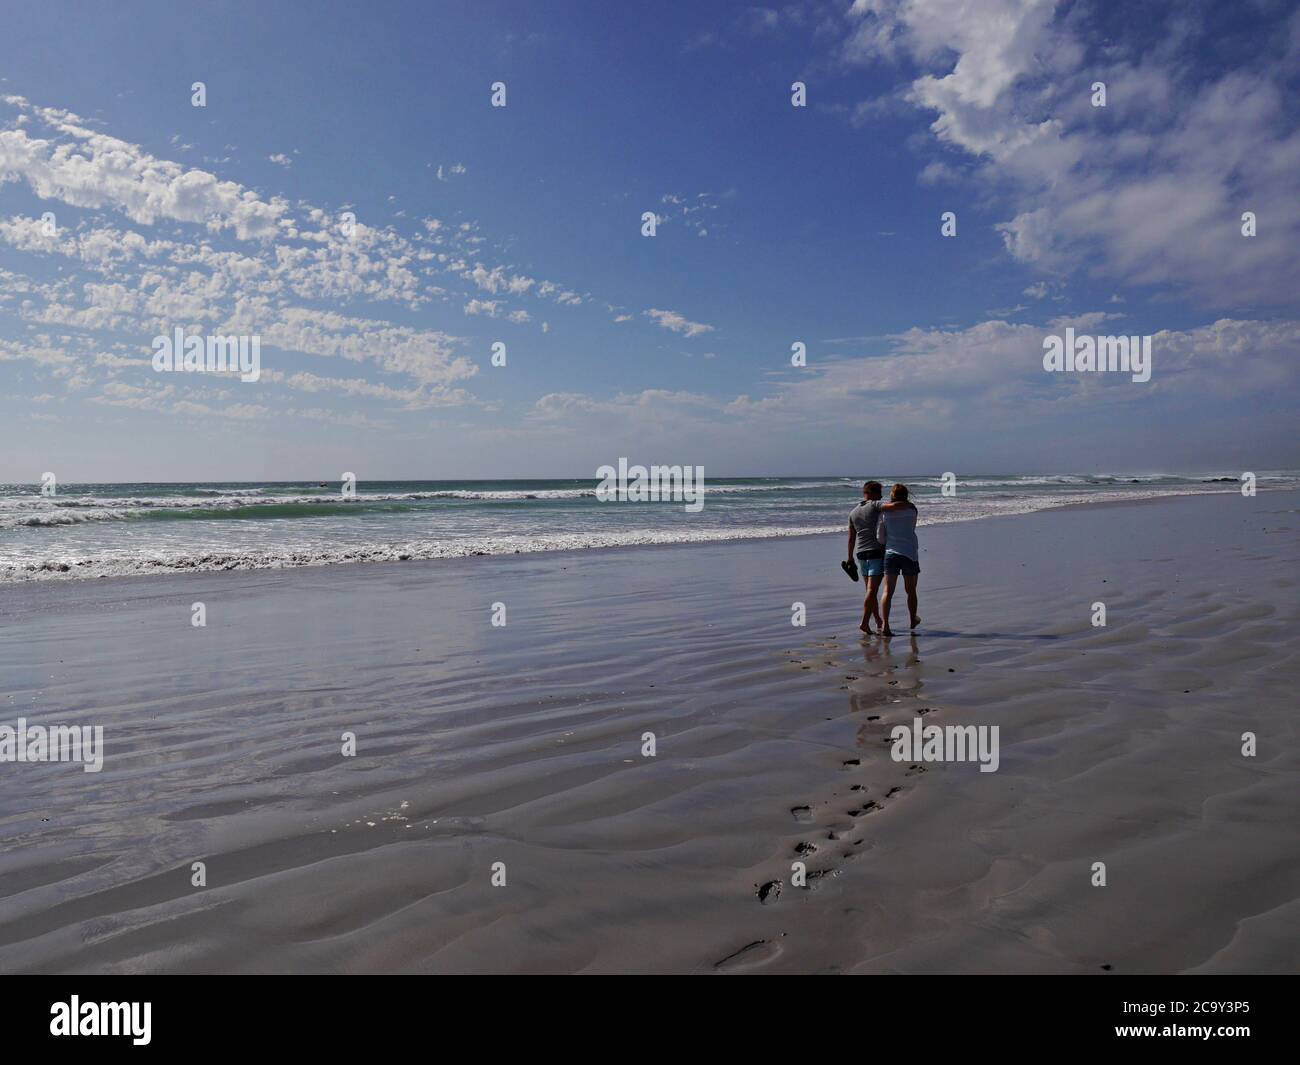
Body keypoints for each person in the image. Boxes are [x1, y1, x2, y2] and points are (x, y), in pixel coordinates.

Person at [877, 483, 920, 638]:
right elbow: (912, 526)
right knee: (911, 590)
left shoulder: (884, 514)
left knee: (888, 591)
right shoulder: (912, 510)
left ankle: (886, 626)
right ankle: (912, 618)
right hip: (910, 552)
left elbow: (880, 537)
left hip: (891, 553)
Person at [846, 481, 886, 635]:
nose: (882, 496)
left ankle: (878, 621)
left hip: (860, 554)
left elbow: (851, 538)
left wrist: (850, 558)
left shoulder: (853, 512)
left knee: (870, 590)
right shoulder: (875, 505)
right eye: (880, 493)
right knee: (872, 590)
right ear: (873, 493)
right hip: (876, 552)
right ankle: (864, 622)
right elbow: (891, 507)